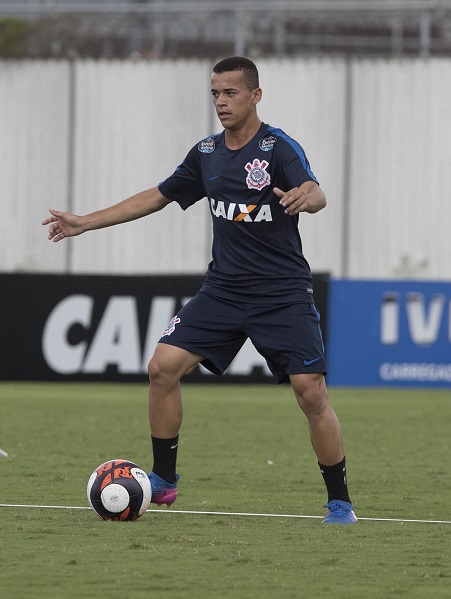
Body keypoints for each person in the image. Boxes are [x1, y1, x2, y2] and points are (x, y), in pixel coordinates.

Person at [42, 56, 356, 524]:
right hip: (224, 290)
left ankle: (339, 501)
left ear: (255, 95)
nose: (221, 102)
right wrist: (86, 222)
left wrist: (306, 198)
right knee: (161, 367)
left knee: (311, 394)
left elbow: (316, 190)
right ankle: (164, 481)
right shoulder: (206, 153)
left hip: (282, 293)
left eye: (230, 92)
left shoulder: (278, 148)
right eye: (215, 93)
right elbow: (156, 196)